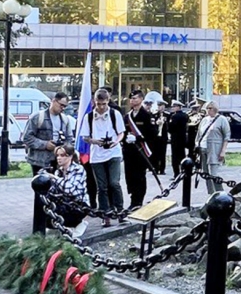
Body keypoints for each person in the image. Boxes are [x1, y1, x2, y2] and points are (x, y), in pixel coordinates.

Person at [78, 88, 125, 227]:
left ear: (108, 101)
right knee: (102, 187)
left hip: (113, 153)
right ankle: (105, 213)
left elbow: (121, 132)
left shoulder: (114, 114)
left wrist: (115, 142)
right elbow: (85, 137)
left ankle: (120, 210)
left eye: (104, 104)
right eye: (99, 104)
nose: (101, 107)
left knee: (114, 183)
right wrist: (95, 141)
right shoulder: (89, 117)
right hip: (97, 155)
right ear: (95, 102)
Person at [23, 91, 74, 175]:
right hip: (39, 161)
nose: (63, 108)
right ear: (53, 101)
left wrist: (63, 150)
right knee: (41, 186)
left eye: (65, 106)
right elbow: (27, 138)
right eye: (61, 105)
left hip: (58, 162)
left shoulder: (65, 120)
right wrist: (45, 144)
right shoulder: (37, 117)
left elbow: (69, 139)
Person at [122, 90, 157, 210]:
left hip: (141, 152)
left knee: (139, 176)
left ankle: (138, 201)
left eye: (135, 98)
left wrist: (138, 138)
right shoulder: (127, 116)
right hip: (129, 151)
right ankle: (133, 199)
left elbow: (152, 134)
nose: (132, 100)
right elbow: (123, 132)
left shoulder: (146, 115)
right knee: (130, 176)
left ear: (141, 99)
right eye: (131, 98)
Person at [46, 144, 89, 237]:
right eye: (57, 155)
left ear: (70, 157)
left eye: (62, 155)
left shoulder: (78, 169)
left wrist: (54, 178)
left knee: (63, 213)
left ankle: (78, 224)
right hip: (64, 202)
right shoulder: (59, 171)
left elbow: (70, 189)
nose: (59, 158)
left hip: (78, 205)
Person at [195, 101, 231, 194]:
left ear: (215, 109)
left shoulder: (221, 119)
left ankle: (220, 194)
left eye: (210, 108)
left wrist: (223, 151)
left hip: (215, 149)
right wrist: (197, 146)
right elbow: (199, 134)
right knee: (206, 174)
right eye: (207, 108)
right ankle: (211, 194)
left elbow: (226, 136)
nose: (208, 110)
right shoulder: (204, 120)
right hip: (202, 149)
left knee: (214, 174)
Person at [168, 99, 189, 177]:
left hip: (175, 138)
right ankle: (184, 171)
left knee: (175, 157)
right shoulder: (185, 115)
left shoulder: (174, 116)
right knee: (182, 155)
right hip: (183, 138)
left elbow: (170, 128)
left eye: (174, 106)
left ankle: (176, 173)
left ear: (179, 107)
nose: (173, 108)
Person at [151, 100, 169, 175]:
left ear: (164, 107)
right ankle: (155, 168)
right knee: (155, 153)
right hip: (156, 137)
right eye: (159, 106)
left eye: (161, 106)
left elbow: (169, 126)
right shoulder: (154, 115)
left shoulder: (167, 115)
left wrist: (165, 122)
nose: (160, 107)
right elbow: (151, 125)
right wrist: (156, 123)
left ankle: (162, 169)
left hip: (163, 136)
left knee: (162, 153)